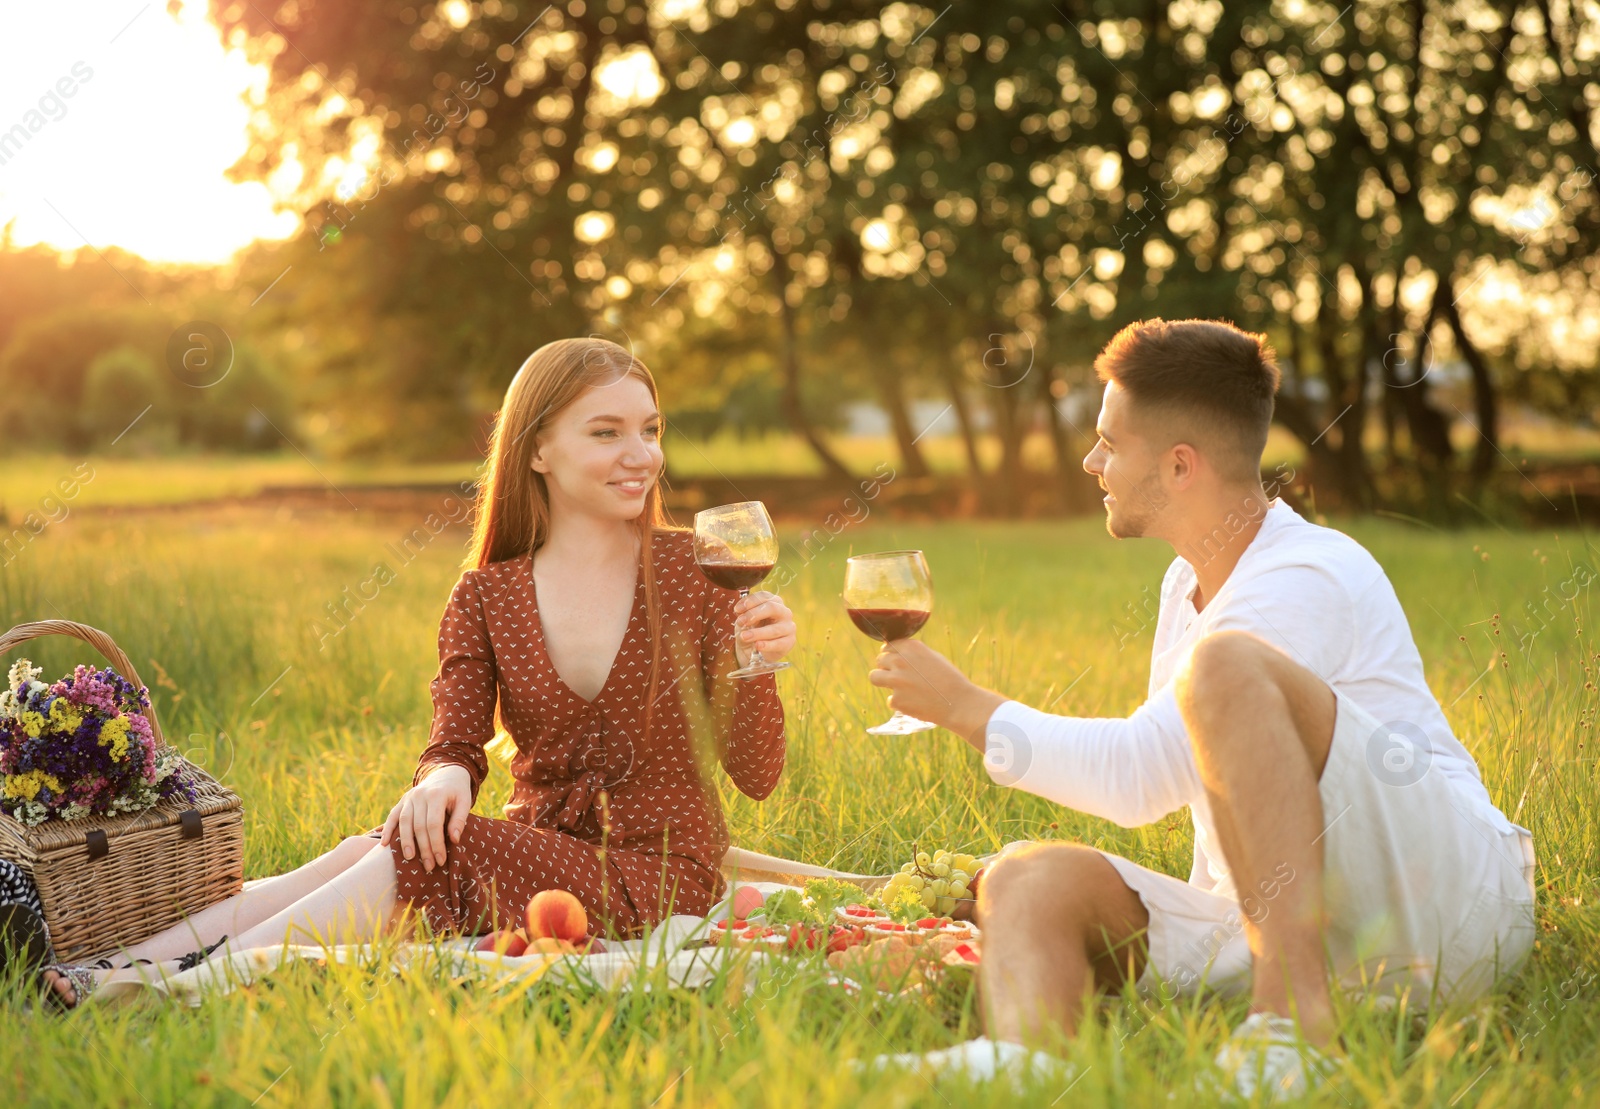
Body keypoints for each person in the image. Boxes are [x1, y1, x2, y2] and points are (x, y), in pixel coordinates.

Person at [862, 319, 1536, 1098]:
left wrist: (966, 705)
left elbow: (1139, 774)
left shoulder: (1309, 571)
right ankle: (1026, 1058)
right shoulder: (1185, 585)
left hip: (1449, 906)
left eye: (1110, 442)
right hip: (1301, 925)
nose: (1092, 461)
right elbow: (1176, 783)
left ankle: (1291, 1031)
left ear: (1180, 465)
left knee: (1221, 665)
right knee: (1027, 874)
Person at [38, 338, 796, 1011]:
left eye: (650, 429)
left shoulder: (699, 570)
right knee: (374, 843)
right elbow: (456, 741)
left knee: (430, 849)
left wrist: (756, 666)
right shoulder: (486, 594)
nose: (643, 454)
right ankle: (118, 953)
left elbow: (756, 775)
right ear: (538, 450)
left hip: (658, 872)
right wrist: (441, 778)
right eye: (608, 432)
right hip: (543, 852)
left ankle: (176, 982)